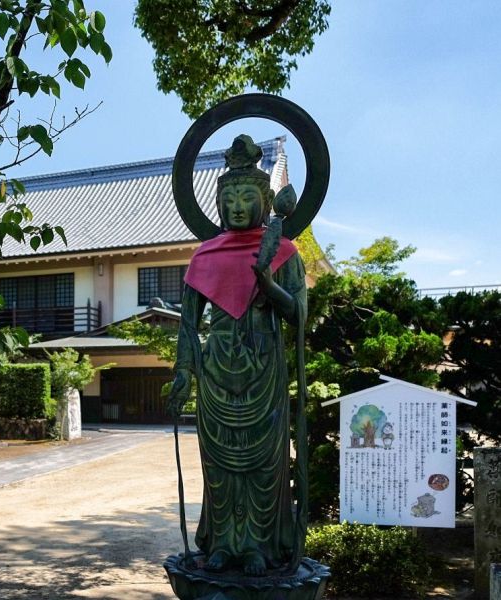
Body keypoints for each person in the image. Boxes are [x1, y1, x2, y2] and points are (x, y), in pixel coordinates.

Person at [168, 134, 307, 576]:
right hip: (216, 368)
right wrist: (183, 370)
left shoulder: (284, 251)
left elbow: (299, 314)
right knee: (220, 464)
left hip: (265, 366)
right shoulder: (205, 255)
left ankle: (260, 546)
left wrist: (270, 286)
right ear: (217, 203)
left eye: (248, 198)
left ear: (266, 202)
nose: (238, 207)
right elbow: (189, 322)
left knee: (265, 463)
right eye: (230, 199)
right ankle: (224, 542)